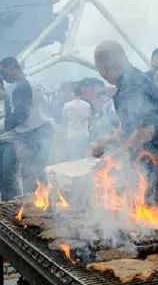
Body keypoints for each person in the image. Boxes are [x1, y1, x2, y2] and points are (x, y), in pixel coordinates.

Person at [93, 41, 158, 208]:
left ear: (104, 66)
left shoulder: (132, 85)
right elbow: (129, 126)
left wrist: (114, 157)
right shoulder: (130, 80)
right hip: (153, 160)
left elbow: (144, 131)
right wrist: (105, 142)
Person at [0, 57, 54, 193]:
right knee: (36, 173)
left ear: (13, 68)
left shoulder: (22, 86)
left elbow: (20, 115)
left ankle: (31, 210)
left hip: (34, 134)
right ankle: (39, 206)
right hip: (39, 132)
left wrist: (2, 126)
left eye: (4, 72)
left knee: (31, 175)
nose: (3, 77)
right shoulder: (30, 82)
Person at [61, 84, 92, 160]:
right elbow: (89, 119)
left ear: (72, 93)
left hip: (72, 135)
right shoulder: (87, 105)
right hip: (84, 135)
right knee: (84, 157)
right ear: (81, 93)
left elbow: (64, 120)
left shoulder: (67, 105)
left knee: (73, 157)